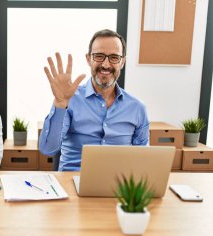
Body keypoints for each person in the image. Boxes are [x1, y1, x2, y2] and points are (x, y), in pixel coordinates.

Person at [39, 29, 149, 171]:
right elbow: (48, 149)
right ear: (88, 59)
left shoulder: (137, 108)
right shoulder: (70, 99)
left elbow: (143, 161)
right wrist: (60, 104)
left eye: (114, 57)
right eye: (99, 56)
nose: (105, 64)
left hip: (118, 187)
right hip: (72, 183)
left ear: (122, 62)